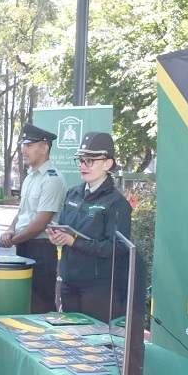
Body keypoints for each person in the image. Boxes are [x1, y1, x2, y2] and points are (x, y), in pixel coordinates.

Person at [46, 132, 131, 323]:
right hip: (69, 281)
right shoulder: (73, 193)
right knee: (69, 340)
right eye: (81, 160)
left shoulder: (117, 203)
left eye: (90, 161)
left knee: (94, 346)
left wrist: (74, 241)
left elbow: (117, 248)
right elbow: (67, 230)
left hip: (98, 288)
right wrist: (57, 236)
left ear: (108, 164)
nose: (82, 166)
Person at [0, 123, 67, 313]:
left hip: (41, 249)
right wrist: (11, 230)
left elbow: (40, 223)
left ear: (44, 148)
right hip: (24, 244)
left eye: (29, 145)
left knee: (40, 305)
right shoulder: (30, 177)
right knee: (24, 302)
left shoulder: (52, 178)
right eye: (23, 145)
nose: (23, 150)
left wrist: (11, 240)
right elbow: (22, 213)